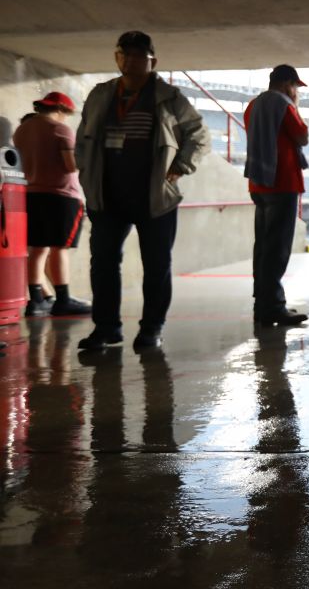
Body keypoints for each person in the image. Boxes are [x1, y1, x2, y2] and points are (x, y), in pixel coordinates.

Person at [74, 31, 210, 352]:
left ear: (153, 61)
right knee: (103, 263)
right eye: (125, 54)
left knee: (156, 266)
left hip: (154, 198)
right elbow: (82, 140)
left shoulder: (170, 97)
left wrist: (181, 166)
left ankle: (151, 329)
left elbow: (199, 135)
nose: (131, 60)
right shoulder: (100, 95)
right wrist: (85, 174)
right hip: (106, 196)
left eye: (139, 55)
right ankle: (106, 328)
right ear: (117, 57)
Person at [13, 91, 92, 317]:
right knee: (60, 249)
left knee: (37, 249)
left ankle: (36, 300)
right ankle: (63, 299)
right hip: (61, 196)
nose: (65, 119)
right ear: (60, 110)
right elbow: (70, 166)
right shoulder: (60, 129)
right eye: (65, 114)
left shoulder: (22, 130)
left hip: (31, 194)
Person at [244, 65, 309, 327]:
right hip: (282, 181)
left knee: (263, 248)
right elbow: (302, 136)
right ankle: (273, 307)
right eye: (295, 87)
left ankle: (262, 305)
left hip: (259, 183)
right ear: (287, 85)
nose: (295, 92)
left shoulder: (253, 105)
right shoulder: (283, 103)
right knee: (277, 249)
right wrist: (295, 106)